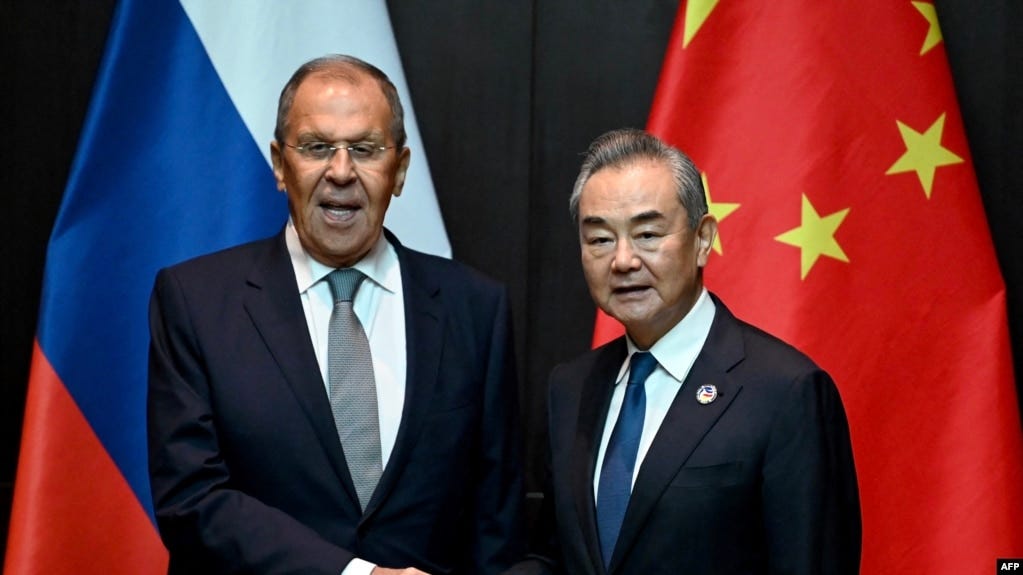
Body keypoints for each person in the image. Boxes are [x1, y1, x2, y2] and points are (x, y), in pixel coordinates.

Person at [147, 54, 524, 575]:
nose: (341, 172)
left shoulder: (476, 309)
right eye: (317, 147)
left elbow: (496, 522)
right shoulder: (195, 301)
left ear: (399, 169)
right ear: (281, 165)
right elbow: (191, 500)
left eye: (365, 150)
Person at [508, 128, 861, 574]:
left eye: (648, 234)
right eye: (599, 239)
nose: (623, 260)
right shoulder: (571, 388)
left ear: (702, 239)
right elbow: (555, 559)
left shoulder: (786, 393)